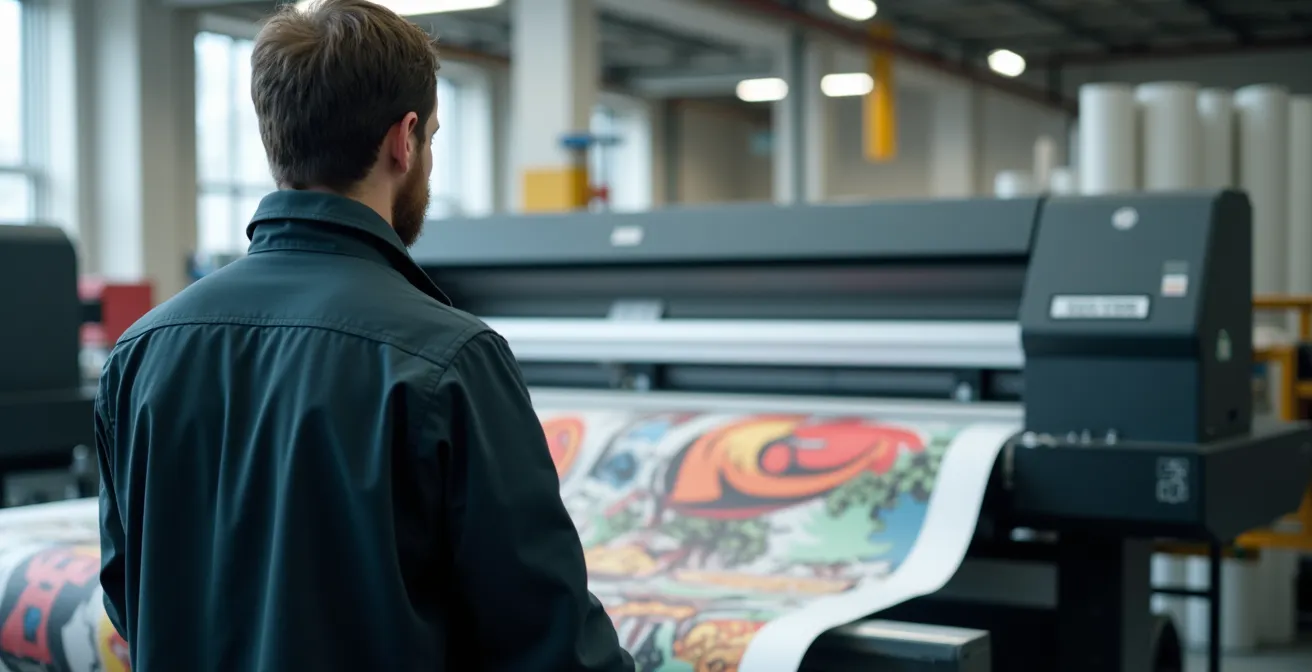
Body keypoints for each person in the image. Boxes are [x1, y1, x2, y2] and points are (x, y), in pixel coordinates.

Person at [94, 1, 633, 670]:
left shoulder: (141, 353)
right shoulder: (449, 360)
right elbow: (547, 642)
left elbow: (127, 595)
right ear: (403, 140)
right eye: (432, 137)